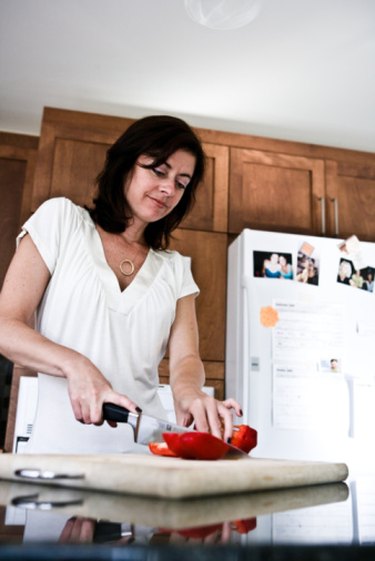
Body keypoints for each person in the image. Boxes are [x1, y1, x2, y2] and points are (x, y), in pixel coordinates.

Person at [0, 115, 242, 454]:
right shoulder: (62, 221)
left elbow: (186, 357)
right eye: (159, 171)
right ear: (126, 162)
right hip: (58, 462)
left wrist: (189, 393)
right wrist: (77, 365)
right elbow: (5, 327)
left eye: (181, 182)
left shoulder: (173, 268)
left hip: (145, 457)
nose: (169, 189)